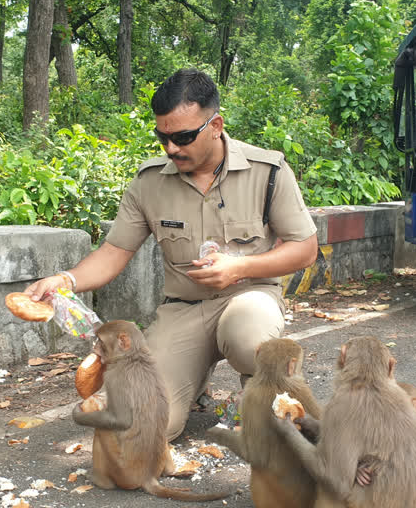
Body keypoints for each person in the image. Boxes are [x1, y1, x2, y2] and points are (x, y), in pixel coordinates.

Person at [26, 68, 318, 441]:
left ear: (215, 125)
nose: (171, 148)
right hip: (183, 310)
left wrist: (240, 267)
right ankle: (190, 380)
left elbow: (304, 249)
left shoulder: (268, 170)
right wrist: (66, 280)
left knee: (250, 339)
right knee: (143, 429)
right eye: (162, 137)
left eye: (182, 137)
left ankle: (264, 396)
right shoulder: (150, 182)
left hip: (250, 297)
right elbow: (115, 251)